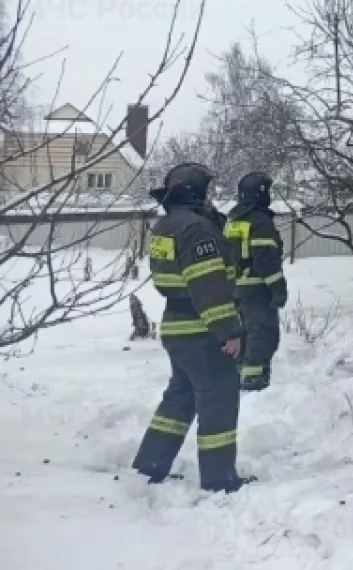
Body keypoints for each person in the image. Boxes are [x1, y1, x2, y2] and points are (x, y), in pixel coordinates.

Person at [132, 163, 254, 493]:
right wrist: (228, 331)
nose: (212, 198)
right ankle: (220, 480)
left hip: (177, 325)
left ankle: (150, 466)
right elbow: (209, 285)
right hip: (203, 330)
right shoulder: (197, 230)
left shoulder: (166, 226)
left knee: (180, 399)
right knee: (219, 401)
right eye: (208, 193)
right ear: (197, 193)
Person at [224, 172, 289, 392]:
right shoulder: (260, 221)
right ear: (260, 193)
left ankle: (238, 377)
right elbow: (266, 260)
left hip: (235, 290)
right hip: (257, 291)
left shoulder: (233, 221)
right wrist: (279, 289)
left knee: (242, 336)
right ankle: (254, 383)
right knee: (262, 335)